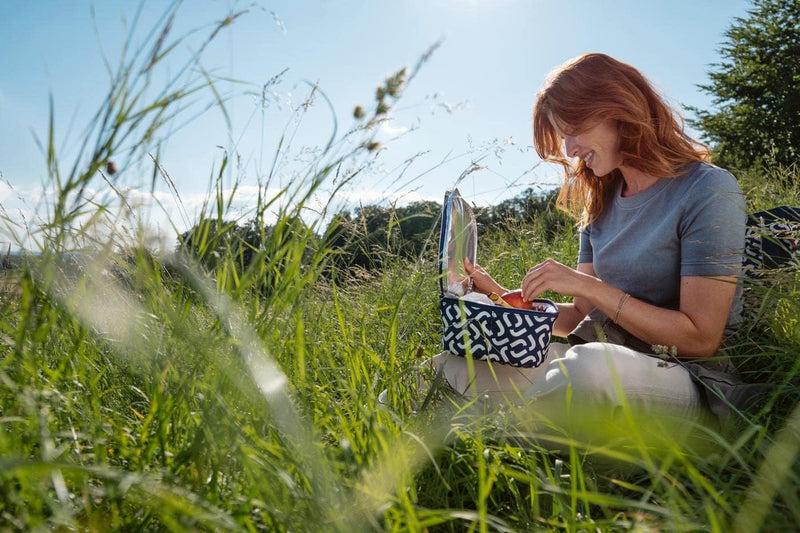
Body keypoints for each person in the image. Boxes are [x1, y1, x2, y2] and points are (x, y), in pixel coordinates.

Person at [425, 53, 748, 441]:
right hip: (598, 354)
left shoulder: (707, 189)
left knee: (589, 371)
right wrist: (495, 295)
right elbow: (578, 316)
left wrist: (588, 285)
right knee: (451, 366)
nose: (570, 149)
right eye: (563, 136)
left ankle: (481, 438)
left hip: (687, 378)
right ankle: (430, 436)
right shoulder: (600, 204)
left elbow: (700, 338)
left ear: (619, 110)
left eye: (574, 129)